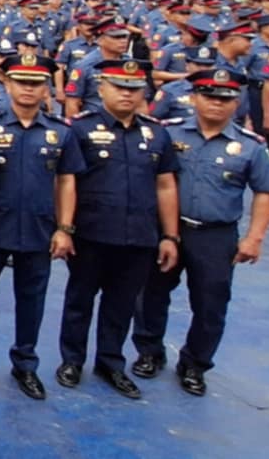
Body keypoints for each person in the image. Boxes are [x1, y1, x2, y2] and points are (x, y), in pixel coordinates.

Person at [131, 67, 269, 397]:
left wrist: (254, 238)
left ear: (236, 102)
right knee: (150, 294)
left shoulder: (250, 145)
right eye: (209, 96)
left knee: (211, 303)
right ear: (194, 98)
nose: (216, 103)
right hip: (166, 230)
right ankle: (149, 352)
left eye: (225, 99)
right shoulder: (167, 133)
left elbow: (266, 191)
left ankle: (195, 364)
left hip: (215, 235)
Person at [0, 57, 83, 400]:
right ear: (8, 85)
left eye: (36, 83)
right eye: (21, 82)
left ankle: (25, 363)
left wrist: (65, 228)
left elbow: (66, 181)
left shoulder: (61, 131)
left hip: (39, 227)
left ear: (46, 89)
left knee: (32, 299)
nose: (28, 88)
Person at [55, 56, 179, 400]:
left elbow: (166, 185)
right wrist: (64, 227)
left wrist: (170, 235)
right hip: (91, 232)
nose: (127, 94)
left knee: (122, 303)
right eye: (119, 87)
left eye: (134, 88)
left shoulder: (156, 133)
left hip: (139, 234)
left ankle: (110, 362)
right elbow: (66, 182)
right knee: (79, 299)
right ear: (101, 89)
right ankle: (72, 360)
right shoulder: (79, 129)